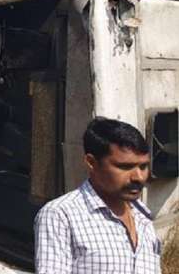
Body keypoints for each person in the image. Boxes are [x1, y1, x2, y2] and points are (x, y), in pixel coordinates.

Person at [34, 117, 160, 274]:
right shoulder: (61, 215)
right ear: (91, 162)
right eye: (125, 167)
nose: (138, 177)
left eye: (143, 166)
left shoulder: (143, 217)